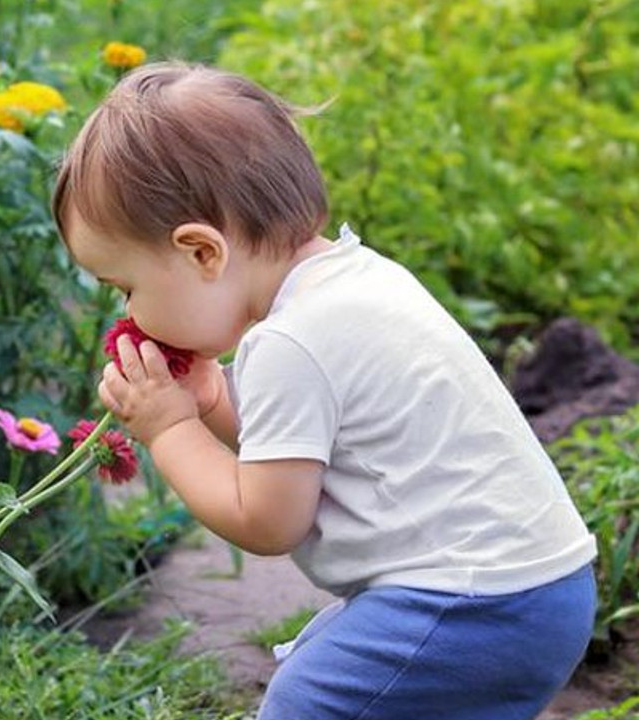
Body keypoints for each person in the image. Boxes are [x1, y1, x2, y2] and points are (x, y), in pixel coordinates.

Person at [52, 62, 597, 720]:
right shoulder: (354, 281)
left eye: (126, 288)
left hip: (473, 605)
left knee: (310, 702)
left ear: (202, 252)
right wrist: (212, 401)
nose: (131, 316)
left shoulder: (288, 342)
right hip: (540, 590)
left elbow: (270, 520)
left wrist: (170, 429)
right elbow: (297, 446)